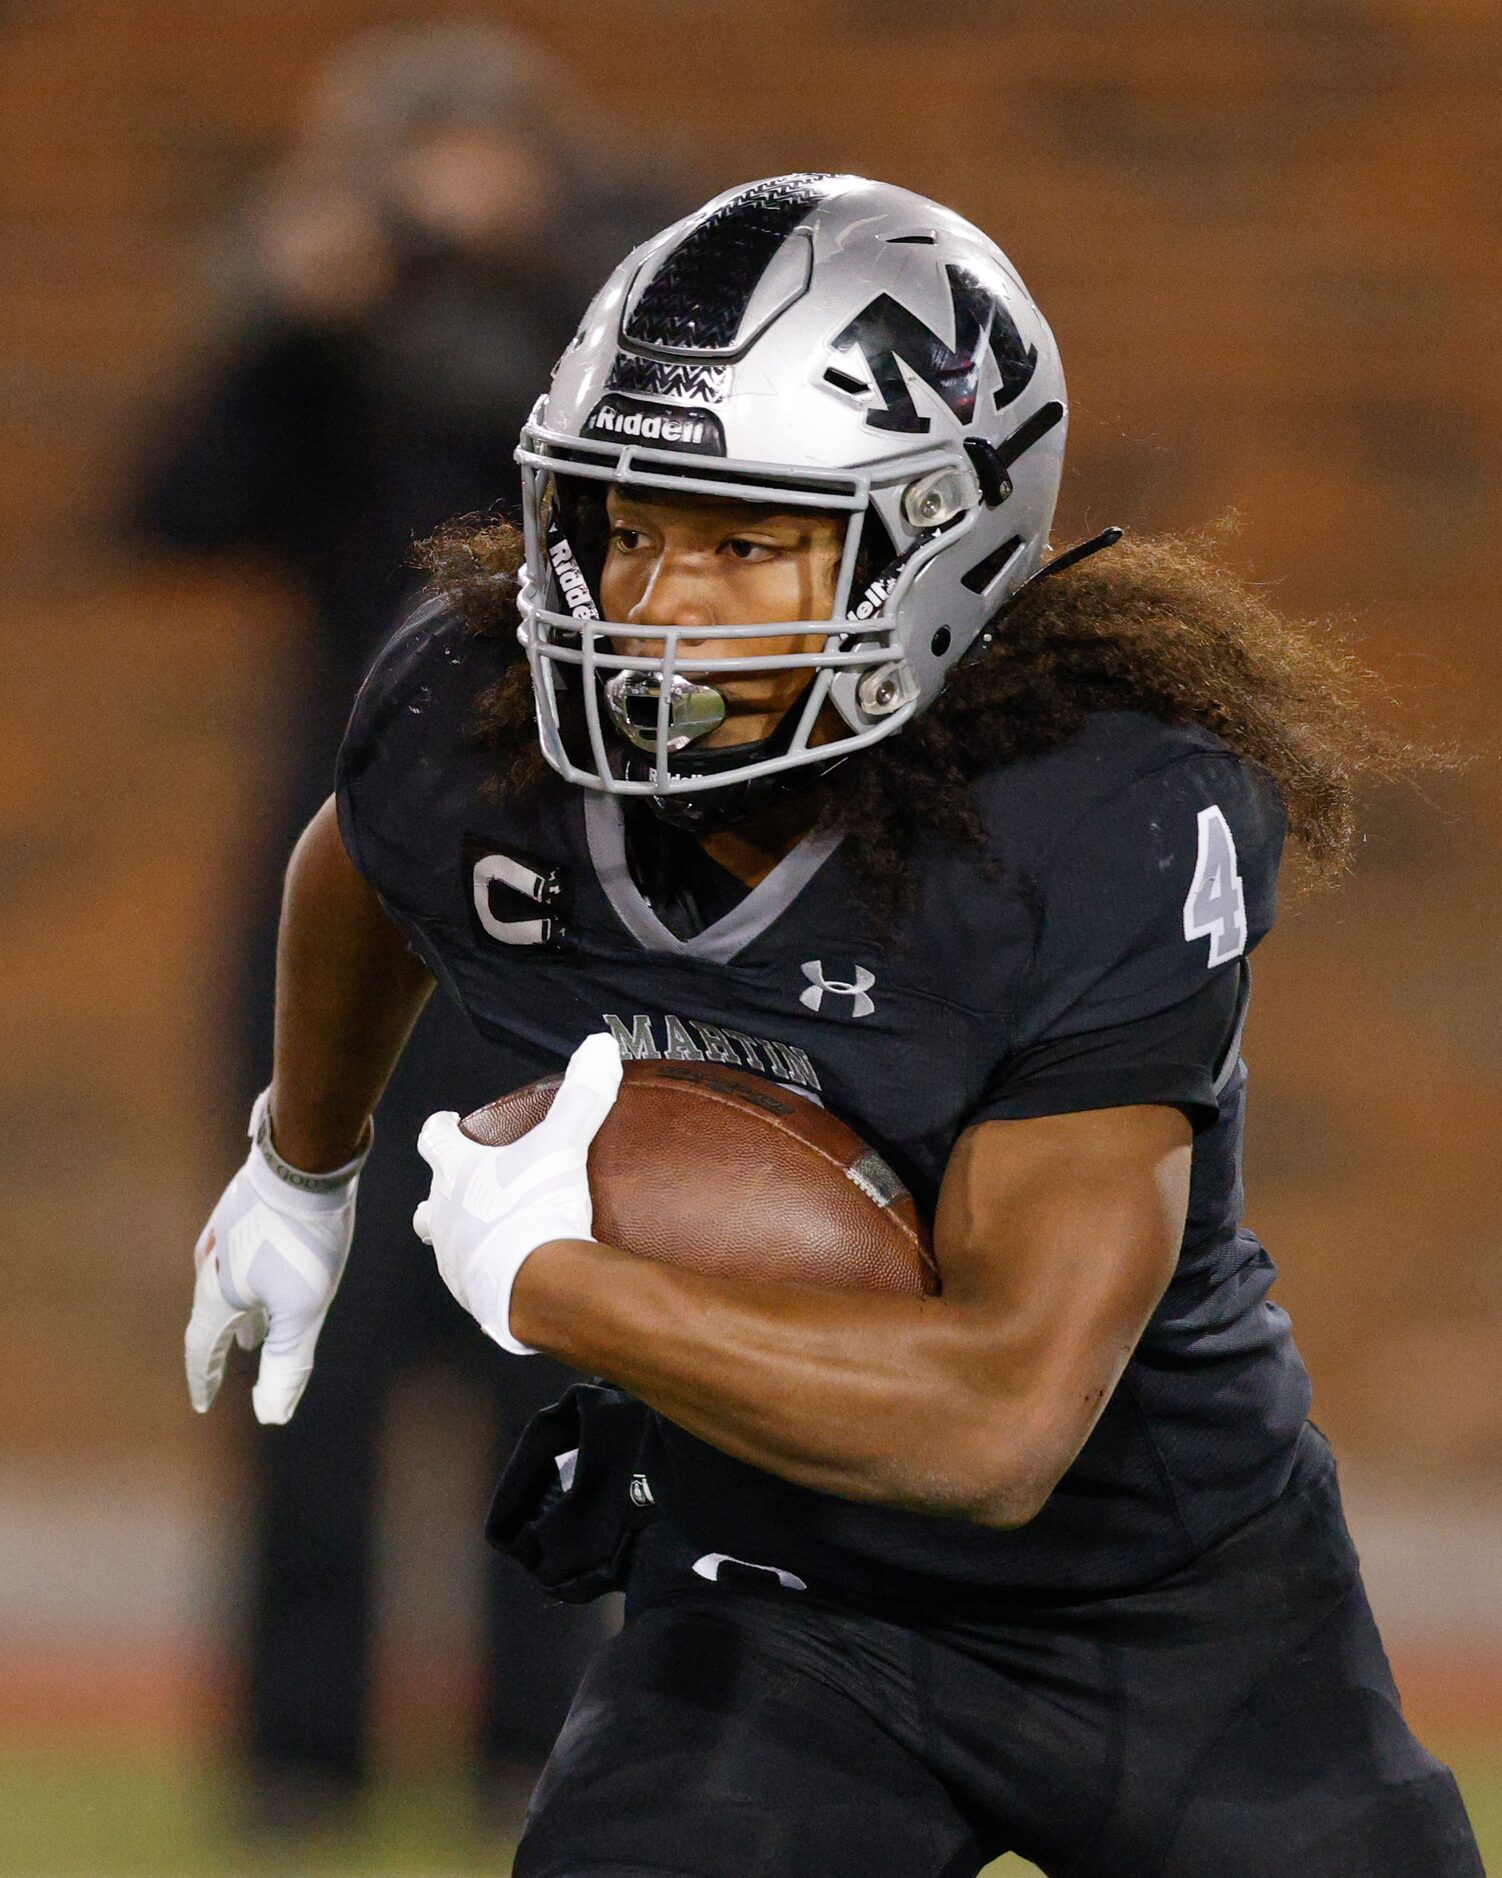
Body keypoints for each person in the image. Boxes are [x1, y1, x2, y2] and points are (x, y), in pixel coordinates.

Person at [185, 175, 1485, 1874]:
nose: (657, 604)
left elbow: (1001, 1421)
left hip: (1168, 1604)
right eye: (629, 527)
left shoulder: (1095, 813)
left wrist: (557, 1276)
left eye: (740, 542)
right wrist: (303, 1160)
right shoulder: (472, 708)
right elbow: (361, 859)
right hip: (769, 1587)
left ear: (937, 534)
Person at [140, 22, 683, 1817]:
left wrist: (527, 262)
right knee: (309, 1319)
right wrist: (296, 312)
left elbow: (605, 479)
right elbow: (174, 511)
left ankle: (534, 1736)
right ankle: (297, 1755)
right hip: (339, 888)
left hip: (557, 897)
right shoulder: (330, 351)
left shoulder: (609, 322)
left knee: (543, 1324)